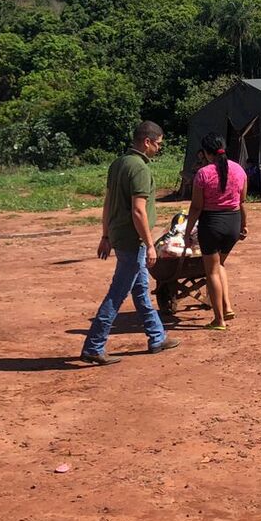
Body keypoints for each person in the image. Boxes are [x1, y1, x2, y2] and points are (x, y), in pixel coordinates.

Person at [80, 121, 182, 366]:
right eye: (158, 144)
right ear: (147, 142)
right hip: (133, 240)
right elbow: (138, 211)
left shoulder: (118, 164)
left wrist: (106, 236)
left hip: (119, 235)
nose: (158, 149)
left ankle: (157, 337)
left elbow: (108, 203)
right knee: (118, 293)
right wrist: (148, 244)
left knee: (140, 290)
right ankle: (94, 345)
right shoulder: (139, 169)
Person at [184, 132, 248, 331]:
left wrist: (187, 232)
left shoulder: (203, 174)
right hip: (233, 222)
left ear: (205, 153)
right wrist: (244, 225)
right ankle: (227, 306)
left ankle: (218, 320)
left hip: (211, 224)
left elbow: (196, 207)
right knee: (220, 264)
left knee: (210, 271)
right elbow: (242, 201)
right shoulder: (238, 170)